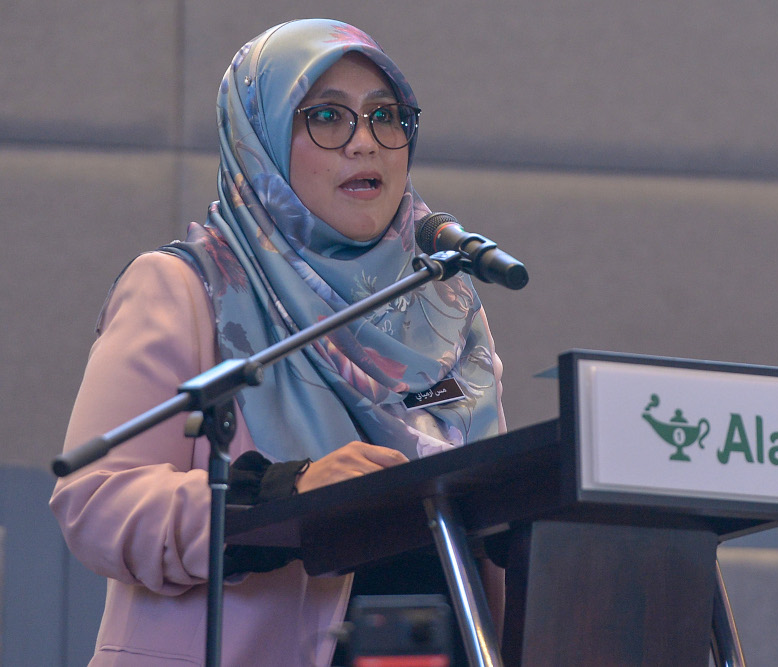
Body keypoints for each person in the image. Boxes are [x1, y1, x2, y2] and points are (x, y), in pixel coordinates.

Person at [50, 19, 505, 666]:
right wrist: (293, 491)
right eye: (325, 116)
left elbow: (490, 521)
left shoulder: (446, 303)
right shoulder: (188, 287)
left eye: (386, 116)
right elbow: (96, 502)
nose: (365, 144)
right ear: (258, 139)